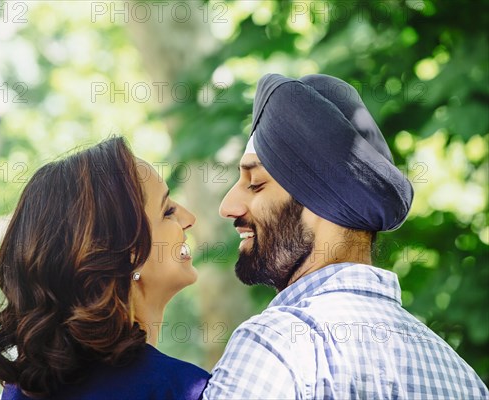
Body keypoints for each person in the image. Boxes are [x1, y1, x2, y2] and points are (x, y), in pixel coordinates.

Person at [203, 74, 488, 399]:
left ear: (320, 200)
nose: (228, 206)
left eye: (255, 184)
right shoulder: (458, 376)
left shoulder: (275, 346)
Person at [0, 137, 210, 399]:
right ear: (128, 250)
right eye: (167, 212)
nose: (189, 218)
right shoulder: (180, 389)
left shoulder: (21, 390)